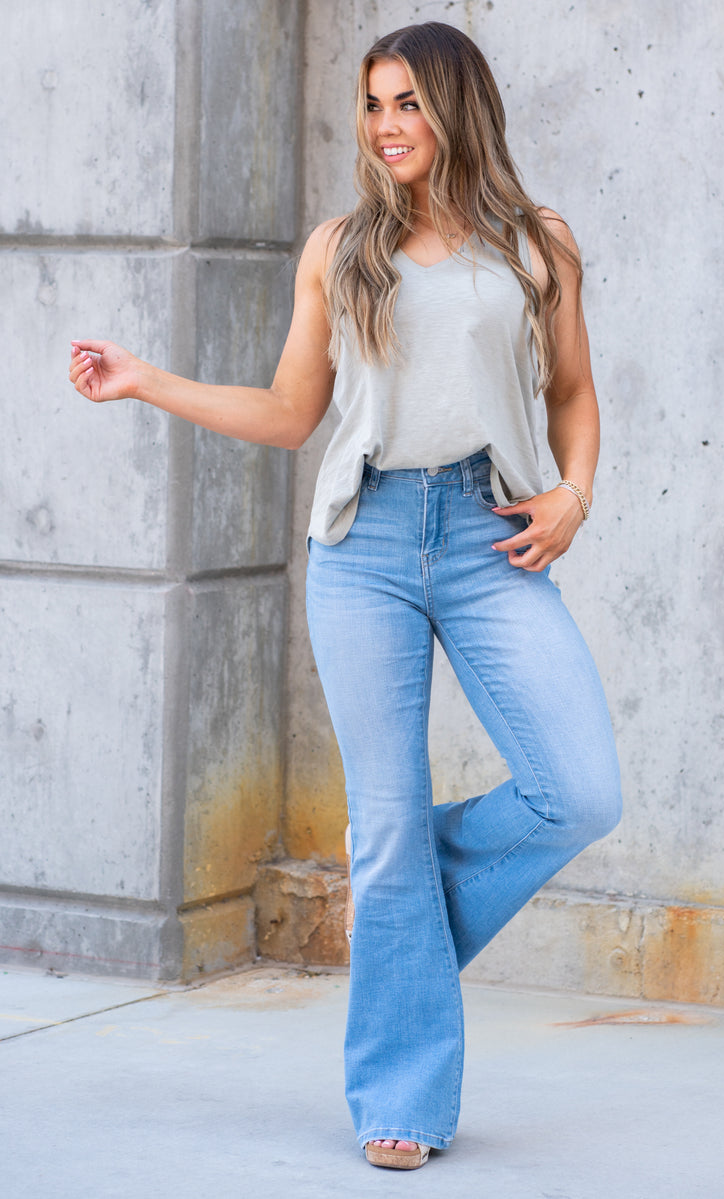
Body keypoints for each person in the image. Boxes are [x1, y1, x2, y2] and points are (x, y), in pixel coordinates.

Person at [69, 21, 622, 1172]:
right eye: (372, 103)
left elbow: (571, 392)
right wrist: (146, 380)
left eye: (407, 101)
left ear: (457, 107)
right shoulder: (341, 247)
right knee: (387, 825)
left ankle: (394, 909)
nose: (385, 124)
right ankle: (399, 1100)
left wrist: (573, 494)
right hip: (362, 542)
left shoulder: (537, 242)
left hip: (490, 534)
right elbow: (288, 414)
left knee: (575, 788)